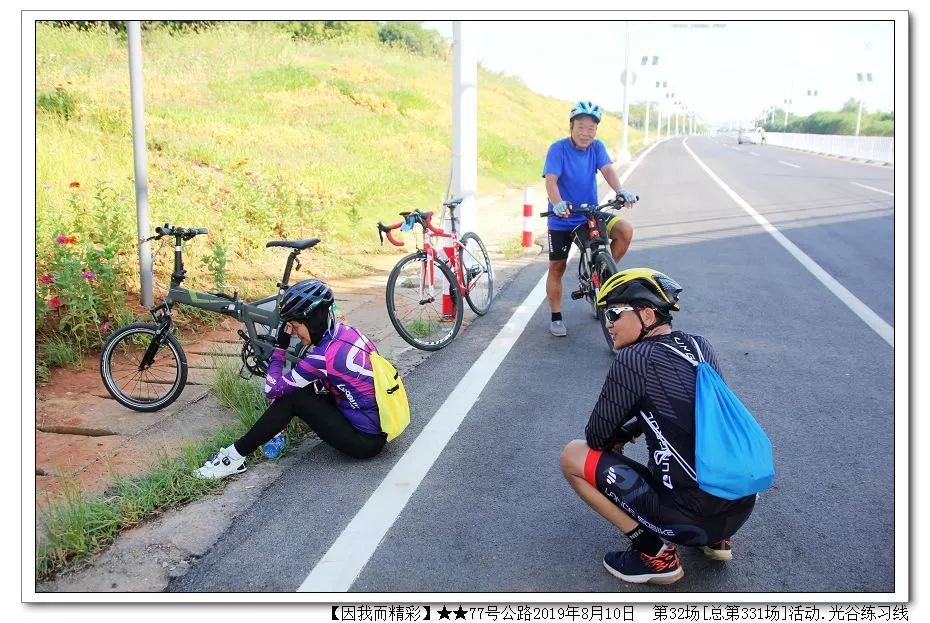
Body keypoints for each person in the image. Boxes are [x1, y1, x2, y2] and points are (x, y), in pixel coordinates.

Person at [559, 268, 756, 585]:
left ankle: (654, 552)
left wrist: (622, 433)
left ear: (646, 314)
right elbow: (704, 415)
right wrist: (637, 427)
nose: (607, 322)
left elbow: (596, 437)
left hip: (691, 517)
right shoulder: (700, 346)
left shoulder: (634, 359)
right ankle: (717, 541)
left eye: (613, 313)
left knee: (573, 456)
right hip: (739, 508)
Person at [195, 278, 386, 479]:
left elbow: (271, 389)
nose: (294, 332)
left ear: (312, 321)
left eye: (295, 326)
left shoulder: (324, 357)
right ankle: (246, 449)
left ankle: (233, 458)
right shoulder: (347, 332)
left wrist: (279, 349)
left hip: (365, 442)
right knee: (303, 389)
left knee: (293, 398)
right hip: (377, 424)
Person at [543, 100, 639, 337]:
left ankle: (601, 274)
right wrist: (557, 204)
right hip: (563, 216)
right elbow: (551, 180)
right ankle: (556, 316)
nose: (586, 133)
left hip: (589, 214)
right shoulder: (558, 148)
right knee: (557, 266)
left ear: (596, 130)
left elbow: (607, 170)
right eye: (581, 127)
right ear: (571, 127)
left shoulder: (597, 147)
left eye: (591, 128)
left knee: (625, 231)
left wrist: (620, 190)